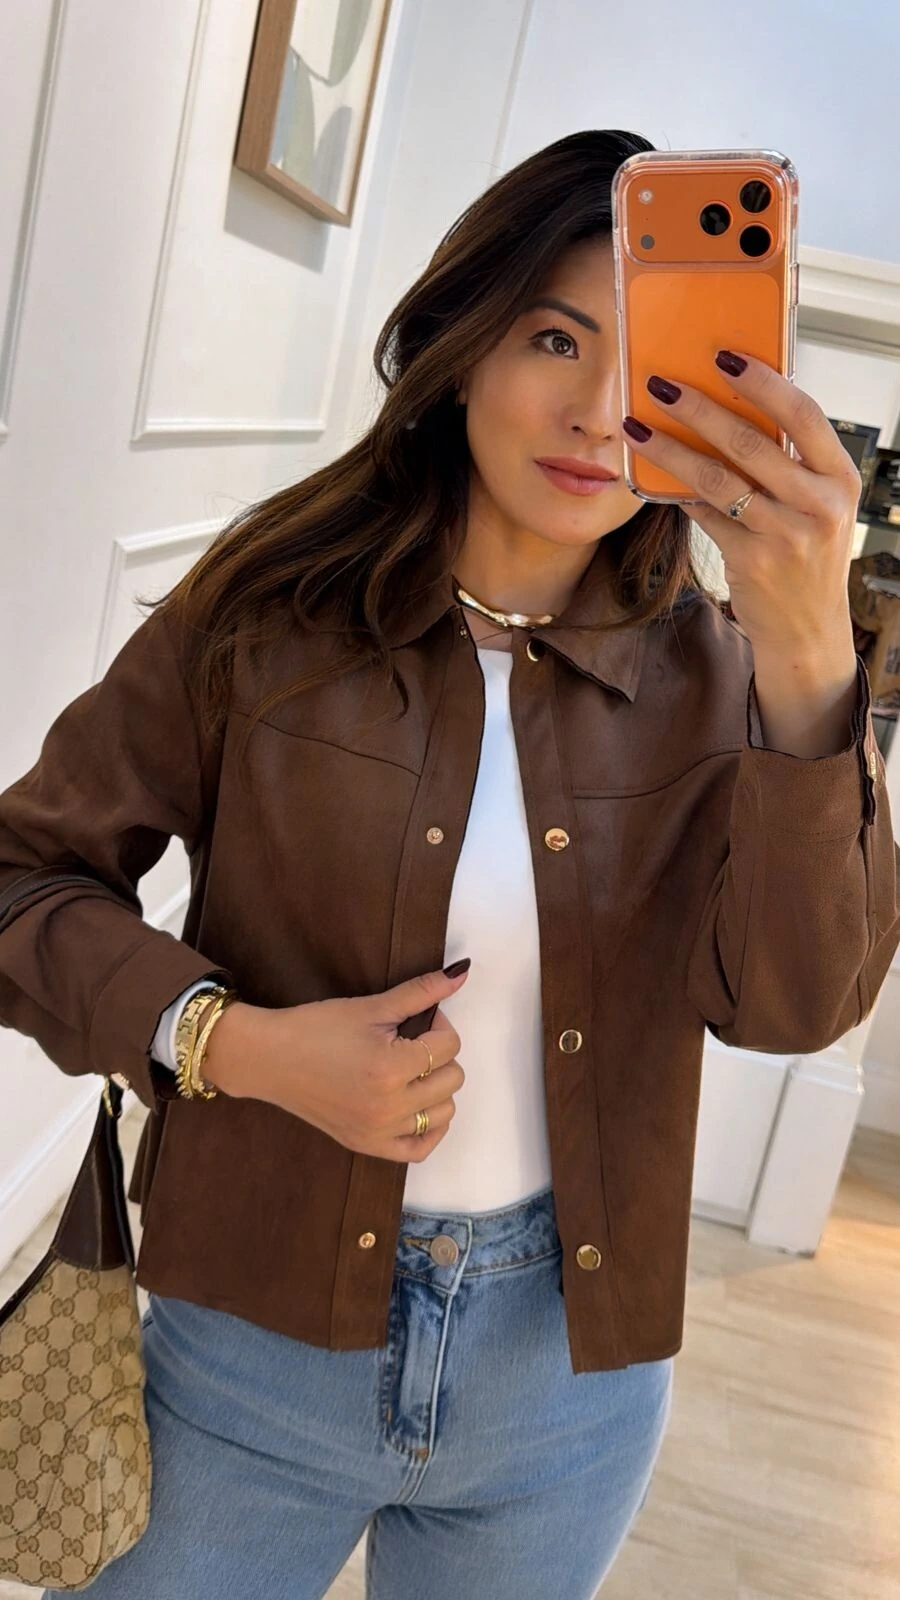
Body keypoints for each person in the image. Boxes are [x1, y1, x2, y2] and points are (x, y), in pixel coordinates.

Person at [1, 128, 897, 1600]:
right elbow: (21, 879)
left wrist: (807, 645)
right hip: (249, 1357)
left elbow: (796, 1008)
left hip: (563, 1392)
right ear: (464, 344)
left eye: (652, 360)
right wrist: (240, 1046)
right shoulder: (267, 616)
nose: (600, 410)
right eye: (555, 337)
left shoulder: (721, 675)